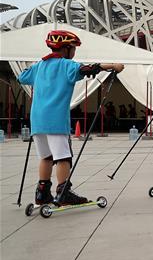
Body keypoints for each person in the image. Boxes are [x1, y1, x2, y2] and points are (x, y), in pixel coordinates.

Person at [17, 30, 124, 206]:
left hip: (37, 120)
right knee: (63, 158)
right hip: (56, 120)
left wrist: (36, 66)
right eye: (73, 48)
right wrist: (113, 65)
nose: (74, 52)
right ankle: (63, 192)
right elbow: (89, 69)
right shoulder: (67, 65)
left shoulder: (39, 66)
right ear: (65, 49)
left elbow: (22, 77)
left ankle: (42, 193)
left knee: (46, 157)